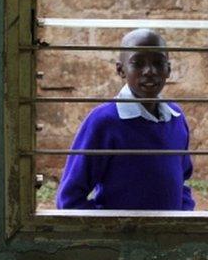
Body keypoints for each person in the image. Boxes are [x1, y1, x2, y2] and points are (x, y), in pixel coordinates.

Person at [56, 28, 195, 210]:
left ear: (168, 69)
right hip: (122, 237)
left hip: (168, 236)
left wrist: (183, 218)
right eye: (137, 63)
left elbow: (182, 181)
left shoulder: (175, 117)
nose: (149, 71)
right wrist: (109, 233)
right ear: (121, 70)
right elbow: (70, 198)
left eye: (158, 63)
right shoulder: (104, 121)